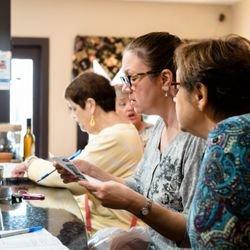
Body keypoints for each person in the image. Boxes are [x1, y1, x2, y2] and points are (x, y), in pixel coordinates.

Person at [56, 32, 206, 249]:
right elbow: (139, 186)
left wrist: (131, 203)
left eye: (132, 78)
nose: (126, 88)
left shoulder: (194, 139)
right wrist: (93, 171)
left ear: (164, 79)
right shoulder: (158, 131)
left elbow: (192, 231)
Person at [12, 72, 143, 235]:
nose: (73, 115)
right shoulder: (111, 132)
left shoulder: (116, 136)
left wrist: (30, 162)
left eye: (74, 108)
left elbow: (66, 178)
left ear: (90, 105)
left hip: (111, 230)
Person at [173, 35, 250, 248]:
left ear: (200, 94)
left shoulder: (231, 135)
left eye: (177, 86)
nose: (173, 96)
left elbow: (211, 239)